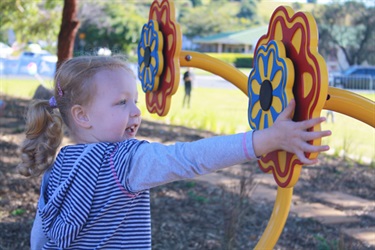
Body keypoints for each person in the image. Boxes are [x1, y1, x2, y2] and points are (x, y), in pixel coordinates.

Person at [18, 56, 331, 249]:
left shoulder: (61, 165)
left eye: (135, 100)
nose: (136, 112)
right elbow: (190, 158)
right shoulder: (123, 162)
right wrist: (266, 139)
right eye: (121, 102)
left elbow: (42, 235)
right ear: (82, 115)